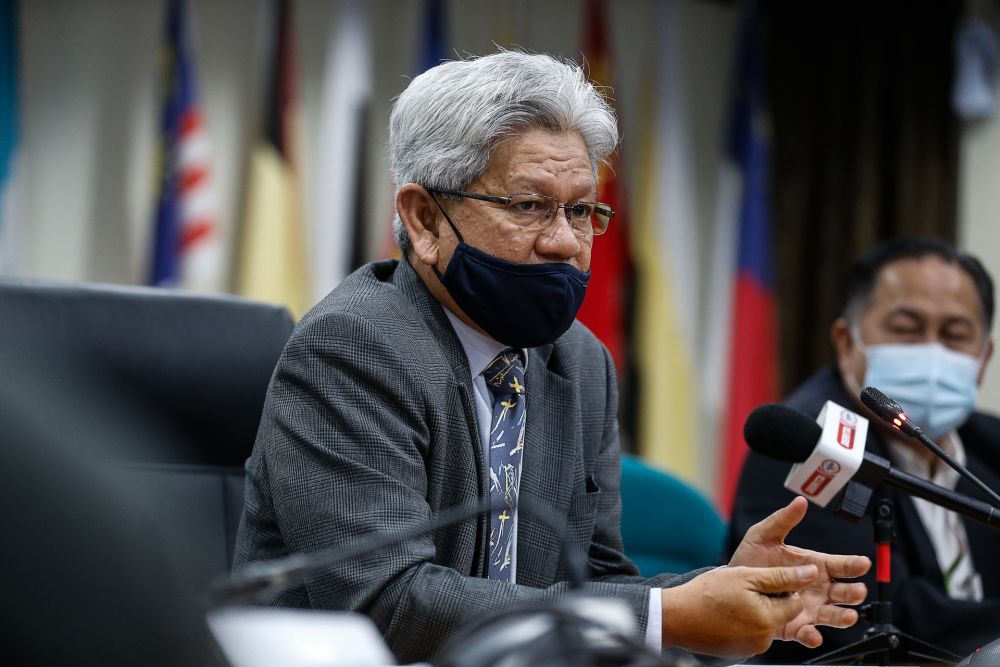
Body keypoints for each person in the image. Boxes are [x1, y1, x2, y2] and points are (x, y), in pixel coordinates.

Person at [233, 51, 869, 664]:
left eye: (583, 210)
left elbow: (592, 578)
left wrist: (722, 586)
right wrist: (669, 616)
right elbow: (390, 603)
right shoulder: (354, 348)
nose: (567, 242)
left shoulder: (578, 362)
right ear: (425, 218)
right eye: (530, 206)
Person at [729, 237, 1000, 662]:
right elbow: (874, 618)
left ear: (984, 358)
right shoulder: (807, 442)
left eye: (954, 334)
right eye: (906, 329)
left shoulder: (990, 443)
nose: (932, 351)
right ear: (845, 342)